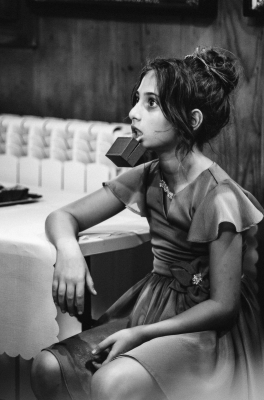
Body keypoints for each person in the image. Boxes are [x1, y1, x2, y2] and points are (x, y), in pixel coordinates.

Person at [30, 47, 264, 400]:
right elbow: (63, 216)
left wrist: (140, 335)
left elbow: (223, 306)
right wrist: (68, 251)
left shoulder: (220, 198)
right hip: (150, 308)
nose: (133, 113)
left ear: (192, 120)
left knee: (111, 382)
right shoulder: (147, 175)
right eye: (136, 99)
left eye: (151, 103)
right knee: (48, 367)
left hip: (204, 329)